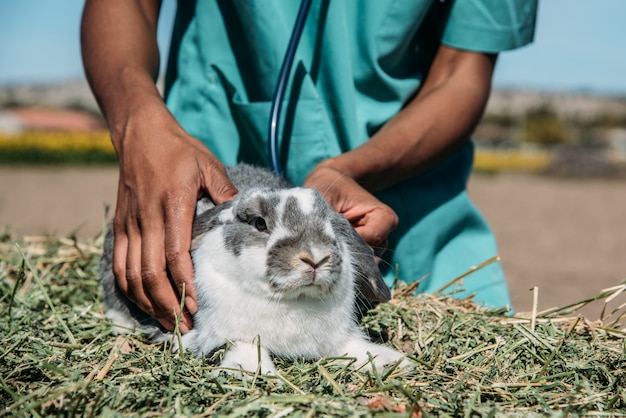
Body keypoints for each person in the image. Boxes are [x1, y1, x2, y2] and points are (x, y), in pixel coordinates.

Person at [81, 0, 537, 333]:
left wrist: (354, 169)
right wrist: (136, 122)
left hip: (411, 225)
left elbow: (462, 72)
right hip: (213, 166)